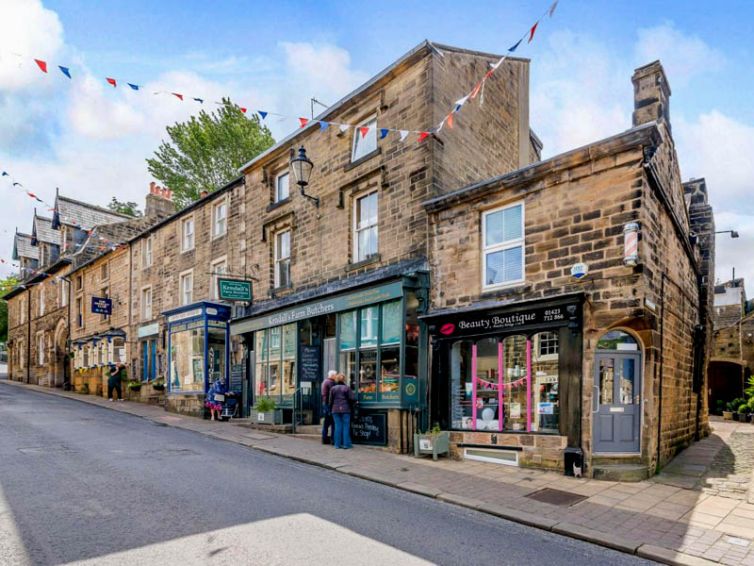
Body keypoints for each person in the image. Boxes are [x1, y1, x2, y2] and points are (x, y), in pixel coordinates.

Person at [329, 373, 355, 449]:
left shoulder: (333, 388)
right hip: (345, 409)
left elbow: (330, 401)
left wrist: (331, 409)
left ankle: (337, 444)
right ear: (344, 379)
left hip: (335, 409)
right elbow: (352, 398)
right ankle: (346, 444)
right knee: (346, 427)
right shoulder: (347, 388)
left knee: (337, 427)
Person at [321, 370, 336, 444]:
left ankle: (324, 438)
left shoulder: (325, 381)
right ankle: (333, 439)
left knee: (326, 422)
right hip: (329, 404)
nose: (336, 377)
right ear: (332, 375)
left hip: (325, 403)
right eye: (335, 375)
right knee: (333, 422)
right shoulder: (330, 383)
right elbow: (333, 394)